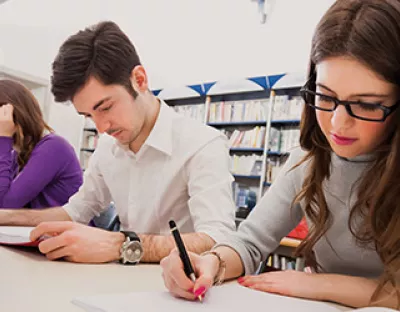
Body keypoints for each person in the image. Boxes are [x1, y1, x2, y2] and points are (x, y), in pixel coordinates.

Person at [160, 0, 400, 309]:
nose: (337, 123)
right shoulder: (308, 159)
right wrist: (212, 262)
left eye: (367, 104)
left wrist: (320, 284)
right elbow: (249, 242)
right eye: (325, 96)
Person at [0, 21, 236, 264]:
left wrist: (122, 245)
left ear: (139, 79)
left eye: (106, 107)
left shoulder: (202, 144)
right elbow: (74, 212)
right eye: (89, 116)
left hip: (184, 288)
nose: (101, 127)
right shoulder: (107, 146)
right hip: (121, 279)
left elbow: (218, 238)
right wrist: (4, 217)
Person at [0, 79, 82, 208]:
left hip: (66, 228)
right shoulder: (15, 154)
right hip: (30, 227)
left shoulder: (53, 148)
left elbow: (4, 207)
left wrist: (3, 139)